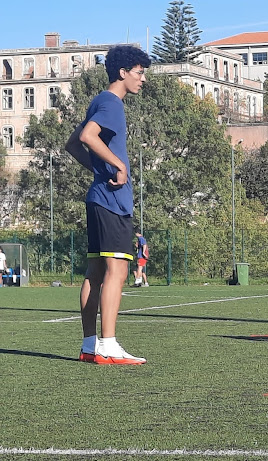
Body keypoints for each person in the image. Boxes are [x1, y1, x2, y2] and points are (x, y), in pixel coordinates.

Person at [65, 45, 151, 365]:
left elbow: (73, 143)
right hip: (113, 200)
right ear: (122, 73)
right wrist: (118, 164)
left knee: (96, 271)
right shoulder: (113, 103)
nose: (143, 79)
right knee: (118, 269)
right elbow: (88, 136)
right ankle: (110, 345)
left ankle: (90, 346)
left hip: (97, 197)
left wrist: (101, 169)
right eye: (140, 72)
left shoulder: (99, 100)